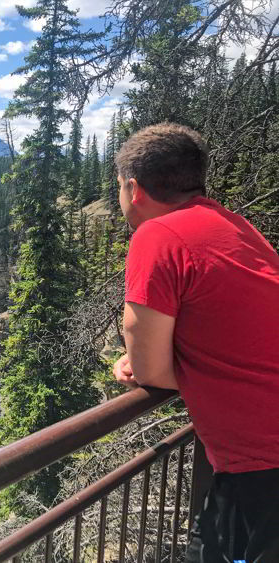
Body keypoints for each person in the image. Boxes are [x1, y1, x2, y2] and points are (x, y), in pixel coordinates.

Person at [111, 123, 279, 562]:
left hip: (262, 463)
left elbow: (149, 370)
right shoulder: (236, 226)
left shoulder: (158, 234)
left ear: (133, 187)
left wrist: (133, 362)